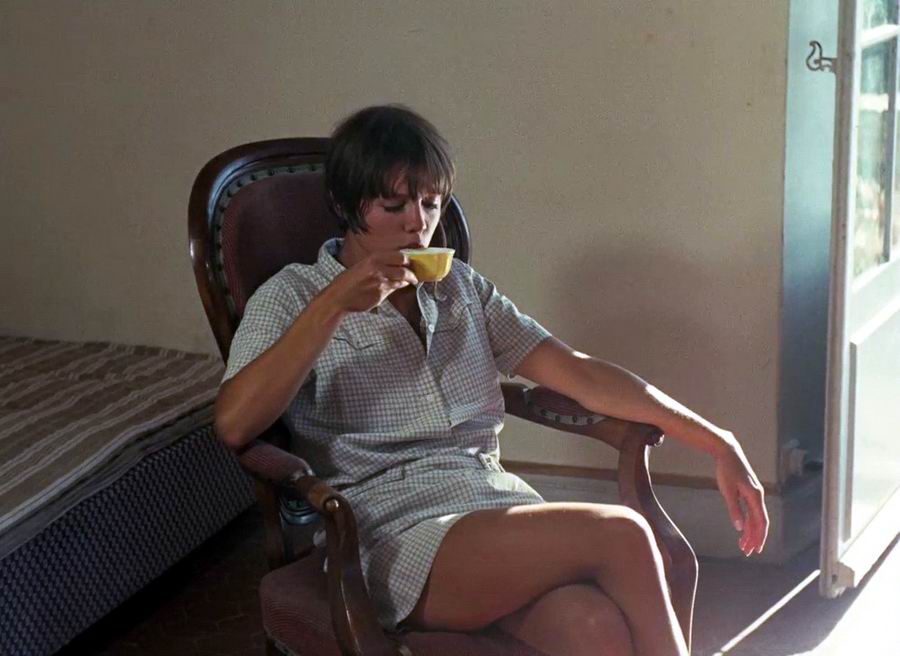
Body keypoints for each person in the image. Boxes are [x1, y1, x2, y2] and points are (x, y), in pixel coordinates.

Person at [214, 104, 769, 656]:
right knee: (623, 532)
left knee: (592, 627)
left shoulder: (460, 289)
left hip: (492, 503)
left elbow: (579, 372)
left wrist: (716, 441)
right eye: (394, 205)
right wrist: (332, 305)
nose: (417, 223)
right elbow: (235, 423)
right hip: (390, 530)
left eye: (431, 203)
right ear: (343, 204)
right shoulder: (293, 295)